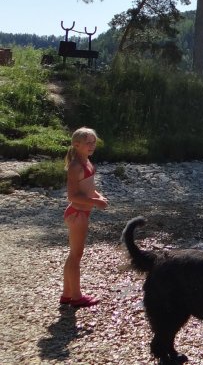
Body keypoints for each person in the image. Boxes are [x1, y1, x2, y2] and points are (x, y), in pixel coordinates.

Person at [60, 127, 109, 308]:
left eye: (93, 142)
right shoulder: (75, 166)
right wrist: (95, 202)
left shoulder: (87, 161)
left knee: (73, 254)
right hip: (77, 214)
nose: (92, 145)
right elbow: (72, 196)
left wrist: (98, 196)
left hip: (81, 213)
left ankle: (67, 294)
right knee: (76, 255)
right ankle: (77, 297)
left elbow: (88, 188)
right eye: (88, 143)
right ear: (76, 144)